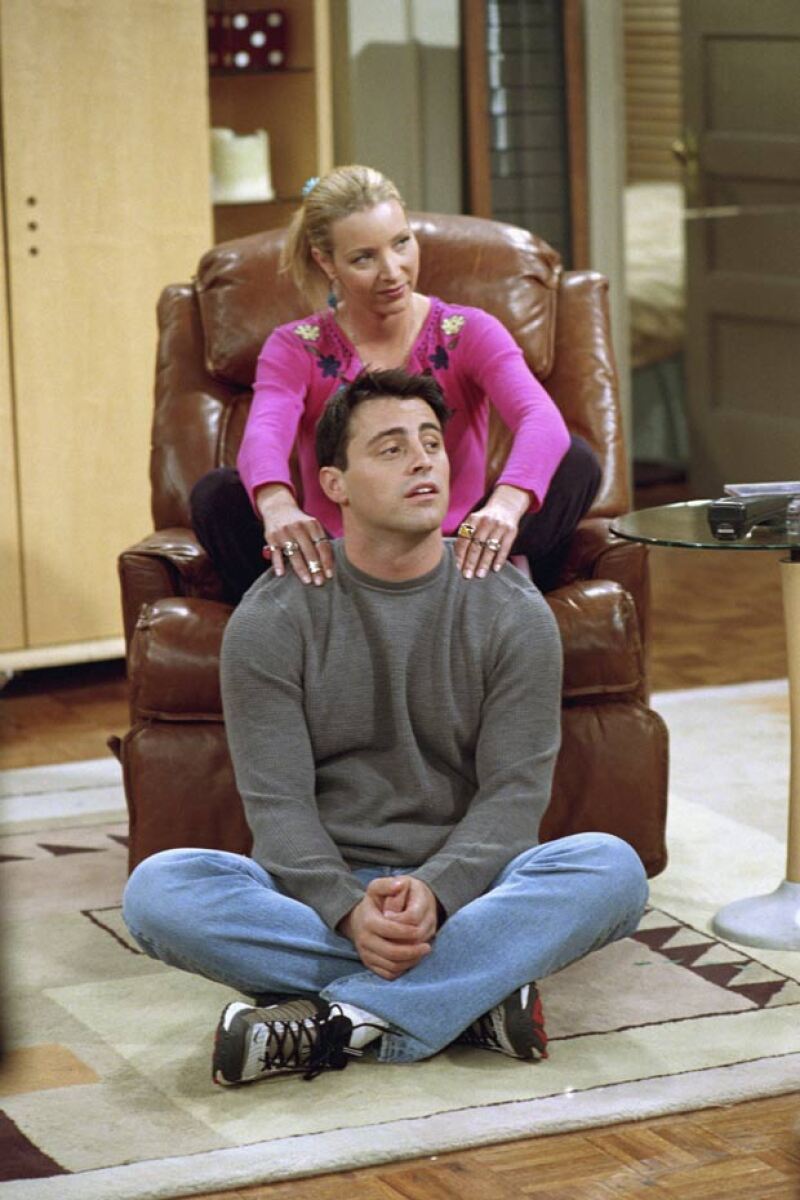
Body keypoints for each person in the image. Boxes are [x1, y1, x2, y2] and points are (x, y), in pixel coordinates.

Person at [122, 367, 648, 1086]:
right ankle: (472, 995)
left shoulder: (513, 609)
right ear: (334, 485)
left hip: (471, 889)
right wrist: (347, 911)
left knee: (611, 869)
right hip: (318, 892)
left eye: (432, 442)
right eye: (392, 448)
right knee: (158, 892)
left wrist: (437, 892)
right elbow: (277, 807)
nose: (423, 460)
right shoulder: (273, 616)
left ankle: (338, 1021)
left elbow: (515, 797)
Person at [190, 164, 601, 603]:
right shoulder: (294, 346)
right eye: (364, 258)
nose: (392, 270)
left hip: (456, 550)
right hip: (337, 561)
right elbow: (265, 433)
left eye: (401, 243)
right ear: (325, 261)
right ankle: (301, 609)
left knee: (576, 461)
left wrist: (506, 505)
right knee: (217, 496)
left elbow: (541, 418)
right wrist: (277, 505)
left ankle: (493, 584)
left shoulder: (470, 330)